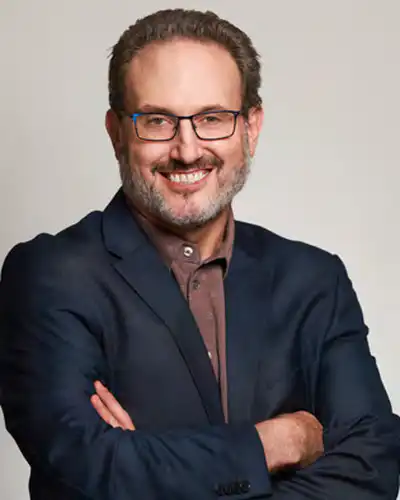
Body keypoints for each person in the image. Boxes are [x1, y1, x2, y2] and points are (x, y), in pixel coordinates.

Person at [0, 8, 399, 500]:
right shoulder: (50, 276)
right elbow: (85, 465)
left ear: (251, 128)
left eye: (213, 118)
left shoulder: (314, 279)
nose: (187, 150)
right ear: (116, 132)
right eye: (157, 121)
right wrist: (275, 443)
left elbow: (373, 468)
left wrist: (148, 464)